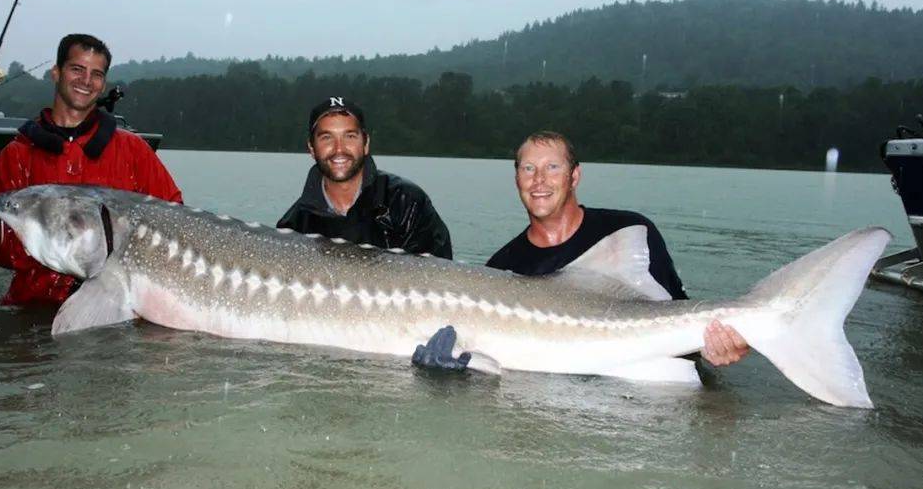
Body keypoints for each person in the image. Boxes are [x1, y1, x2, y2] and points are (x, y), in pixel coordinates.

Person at [486, 131, 749, 366]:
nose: (539, 180)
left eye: (552, 167)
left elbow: (678, 313)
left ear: (574, 176)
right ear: (517, 178)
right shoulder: (502, 267)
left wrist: (710, 347)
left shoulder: (625, 231)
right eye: (528, 168)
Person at [0, 33, 182, 306]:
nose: (86, 80)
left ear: (103, 84)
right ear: (56, 72)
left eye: (96, 74)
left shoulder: (133, 150)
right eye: (77, 69)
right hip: (34, 303)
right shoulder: (18, 154)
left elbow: (176, 221)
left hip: (113, 303)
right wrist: (47, 245)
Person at [278, 97, 453, 259]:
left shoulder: (406, 202)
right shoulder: (293, 227)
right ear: (311, 148)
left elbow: (441, 273)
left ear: (366, 143)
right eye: (326, 137)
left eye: (350, 136)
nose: (339, 149)